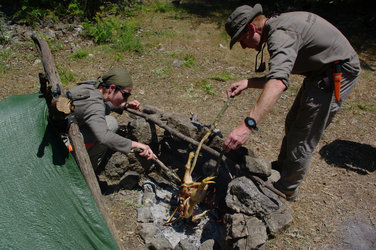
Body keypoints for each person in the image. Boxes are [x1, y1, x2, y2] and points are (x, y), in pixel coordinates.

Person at [223, 4, 361, 201]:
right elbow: (278, 75)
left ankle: (286, 189)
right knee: (293, 120)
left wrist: (248, 125)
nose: (244, 46)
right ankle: (282, 168)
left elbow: (278, 82)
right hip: (320, 71)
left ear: (252, 29)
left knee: (302, 135)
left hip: (337, 72)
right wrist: (248, 82)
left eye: (242, 40)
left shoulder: (280, 35)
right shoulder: (277, 28)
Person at [67, 68, 156, 170]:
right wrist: (135, 144)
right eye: (125, 95)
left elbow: (101, 107)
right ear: (112, 88)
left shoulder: (93, 88)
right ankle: (83, 169)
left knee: (110, 121)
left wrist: (124, 105)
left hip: (67, 129)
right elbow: (104, 137)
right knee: (110, 125)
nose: (126, 99)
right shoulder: (94, 103)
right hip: (62, 143)